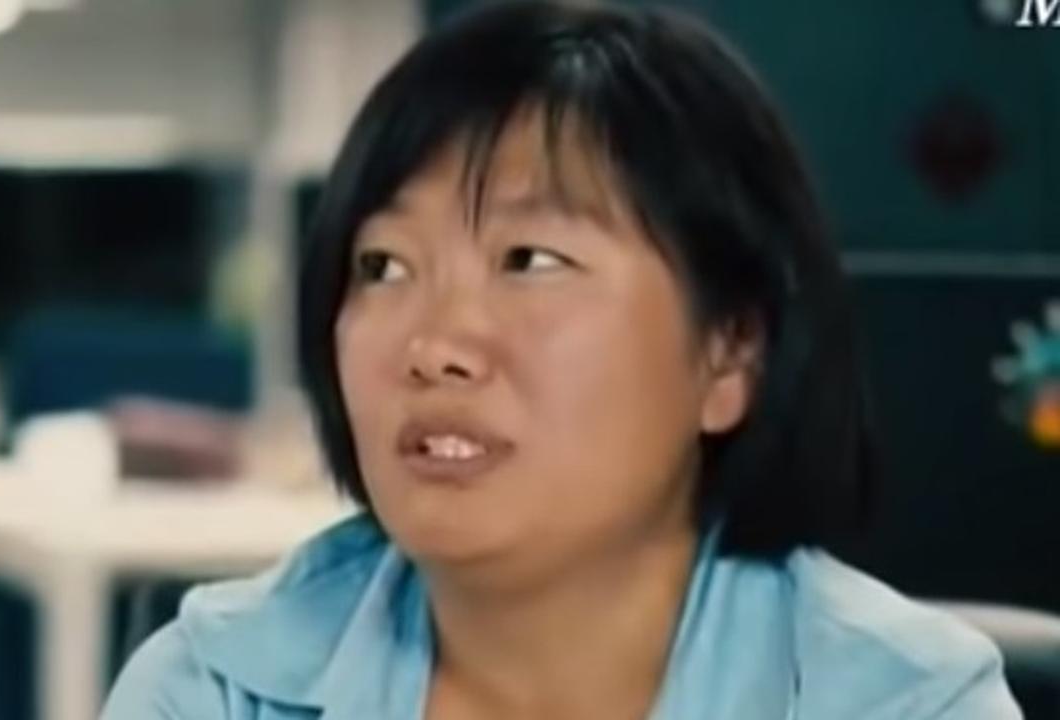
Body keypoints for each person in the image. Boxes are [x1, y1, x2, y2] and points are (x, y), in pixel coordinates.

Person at [102, 3, 1022, 718]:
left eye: (529, 260)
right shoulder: (214, 690)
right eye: (383, 266)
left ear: (729, 351)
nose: (434, 348)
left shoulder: (906, 704)